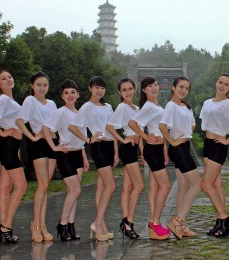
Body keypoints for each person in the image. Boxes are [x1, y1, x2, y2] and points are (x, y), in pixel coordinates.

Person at [68, 76, 117, 242]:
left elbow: (112, 129)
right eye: (96, 87)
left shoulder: (108, 107)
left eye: (102, 87)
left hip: (109, 146)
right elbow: (72, 126)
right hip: (99, 147)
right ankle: (97, 223)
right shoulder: (87, 107)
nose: (99, 90)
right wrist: (88, 139)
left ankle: (101, 226)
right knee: (111, 185)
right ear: (90, 88)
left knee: (102, 186)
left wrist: (116, 151)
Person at [42, 79, 89, 241]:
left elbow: (81, 138)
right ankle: (62, 224)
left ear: (78, 94)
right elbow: (45, 128)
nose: (70, 95)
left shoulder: (81, 113)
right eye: (66, 93)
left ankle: (71, 225)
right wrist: (54, 147)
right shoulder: (60, 112)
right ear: (62, 96)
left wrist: (84, 157)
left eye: (73, 92)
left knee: (73, 193)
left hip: (78, 155)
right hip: (65, 154)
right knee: (75, 190)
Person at [0, 70, 27, 243]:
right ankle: (5, 227)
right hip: (7, 146)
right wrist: (2, 132)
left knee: (5, 187)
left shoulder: (10, 101)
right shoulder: (3, 99)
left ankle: (4, 227)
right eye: (3, 78)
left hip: (11, 147)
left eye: (9, 76)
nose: (8, 79)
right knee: (21, 186)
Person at [200, 73, 229, 238]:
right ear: (216, 83)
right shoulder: (207, 102)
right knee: (216, 185)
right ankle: (219, 221)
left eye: (226, 84)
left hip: (219, 145)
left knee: (206, 185)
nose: (222, 86)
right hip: (208, 144)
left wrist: (227, 140)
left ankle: (226, 220)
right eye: (220, 82)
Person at [16, 72, 57, 243]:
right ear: (32, 86)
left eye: (45, 85)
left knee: (45, 187)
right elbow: (19, 121)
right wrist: (32, 137)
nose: (42, 88)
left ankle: (42, 225)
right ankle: (35, 225)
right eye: (39, 84)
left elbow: (55, 124)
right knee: (43, 184)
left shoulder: (52, 103)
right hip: (38, 144)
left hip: (52, 143)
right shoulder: (29, 100)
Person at [129, 76, 171, 240]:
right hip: (152, 150)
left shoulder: (157, 106)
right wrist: (146, 137)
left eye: (156, 84)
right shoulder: (148, 107)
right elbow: (133, 123)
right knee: (165, 186)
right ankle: (155, 222)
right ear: (144, 90)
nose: (155, 88)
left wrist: (164, 148)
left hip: (158, 149)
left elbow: (160, 129)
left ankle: (154, 224)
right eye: (150, 86)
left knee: (155, 187)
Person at [159, 76, 200, 239]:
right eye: (181, 87)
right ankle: (178, 221)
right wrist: (173, 141)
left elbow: (193, 124)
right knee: (196, 185)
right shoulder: (171, 106)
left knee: (183, 186)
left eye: (186, 88)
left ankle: (181, 226)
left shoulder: (186, 106)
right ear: (173, 87)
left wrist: (185, 132)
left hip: (184, 146)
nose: (183, 90)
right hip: (179, 148)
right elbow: (162, 126)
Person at [107, 78, 144, 239]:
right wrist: (123, 140)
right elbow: (110, 126)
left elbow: (140, 132)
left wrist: (142, 152)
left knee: (128, 187)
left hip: (134, 149)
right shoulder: (122, 107)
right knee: (139, 185)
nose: (128, 92)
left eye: (130, 89)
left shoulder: (137, 109)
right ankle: (129, 222)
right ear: (120, 92)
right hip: (127, 149)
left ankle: (125, 222)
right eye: (124, 90)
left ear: (134, 89)